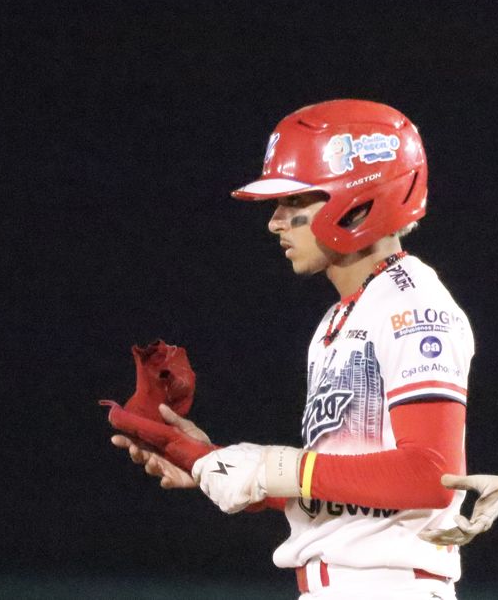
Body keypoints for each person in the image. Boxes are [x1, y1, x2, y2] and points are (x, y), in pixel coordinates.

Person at [110, 99, 474, 599]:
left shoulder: (414, 304)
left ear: (361, 199)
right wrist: (213, 463)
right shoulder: (343, 314)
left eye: (296, 202)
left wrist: (269, 468)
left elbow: (432, 474)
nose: (275, 222)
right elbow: (345, 494)